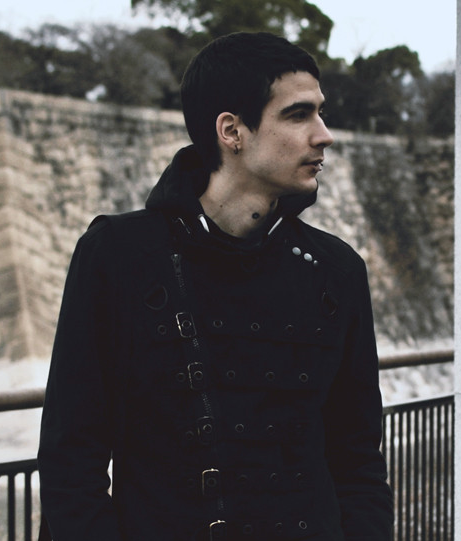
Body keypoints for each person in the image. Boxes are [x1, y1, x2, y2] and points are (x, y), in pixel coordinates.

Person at [38, 31, 394, 541]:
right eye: (298, 115)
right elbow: (72, 462)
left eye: (320, 112)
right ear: (232, 130)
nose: (324, 135)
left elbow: (358, 464)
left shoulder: (337, 270)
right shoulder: (118, 255)